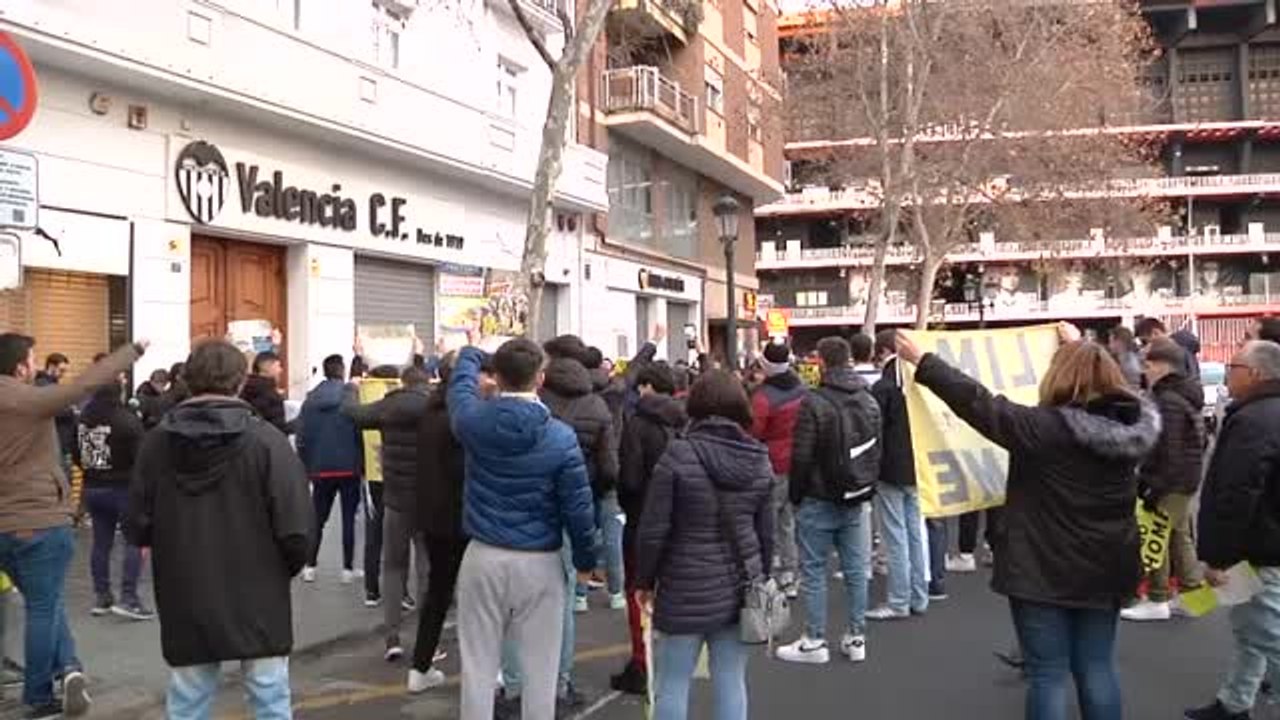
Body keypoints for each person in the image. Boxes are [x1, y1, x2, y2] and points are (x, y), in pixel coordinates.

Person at [896, 325, 1159, 720]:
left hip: (1042, 567)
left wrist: (924, 362)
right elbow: (1129, 394)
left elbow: (979, 402)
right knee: (1097, 666)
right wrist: (1082, 350)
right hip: (1107, 566)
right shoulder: (1135, 429)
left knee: (1048, 673)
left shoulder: (1044, 429)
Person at [127, 339, 312, 720]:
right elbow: (297, 529)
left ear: (189, 380)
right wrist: (283, 569)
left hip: (186, 586)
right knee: (270, 698)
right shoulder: (267, 443)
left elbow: (137, 523)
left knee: (188, 699)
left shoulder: (157, 443)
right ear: (240, 381)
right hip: (259, 590)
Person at [448, 340, 596, 720]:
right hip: (540, 562)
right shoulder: (561, 437)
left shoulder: (473, 421)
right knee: (541, 672)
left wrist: (470, 353)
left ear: (496, 378)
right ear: (541, 379)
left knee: (478, 666)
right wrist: (585, 559)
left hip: (483, 554)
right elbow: (577, 509)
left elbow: (460, 386)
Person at [0, 336, 144, 719]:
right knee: (43, 607)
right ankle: (38, 696)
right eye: (31, 359)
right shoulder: (24, 399)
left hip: (5, 526)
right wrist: (133, 351)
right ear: (20, 368)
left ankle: (69, 668)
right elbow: (84, 385)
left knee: (43, 600)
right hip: (38, 520)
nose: (35, 366)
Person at [634, 370, 773, 720]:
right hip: (740, 583)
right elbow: (766, 534)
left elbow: (654, 529)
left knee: (673, 681)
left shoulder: (678, 454)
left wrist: (644, 581)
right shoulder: (757, 458)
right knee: (731, 679)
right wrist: (762, 576)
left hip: (683, 585)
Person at [1185, 340, 1280, 720]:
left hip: (1255, 547)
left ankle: (1235, 703)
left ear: (1255, 374)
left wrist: (1219, 557)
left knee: (1267, 633)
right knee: (1251, 632)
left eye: (1233, 366)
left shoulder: (1254, 420)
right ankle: (1234, 702)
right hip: (1264, 541)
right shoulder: (1264, 414)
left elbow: (1236, 493)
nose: (1227, 373)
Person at [777, 336, 881, 665]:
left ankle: (815, 639)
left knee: (814, 570)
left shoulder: (814, 402)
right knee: (855, 570)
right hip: (856, 494)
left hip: (819, 495)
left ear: (821, 362)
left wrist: (796, 495)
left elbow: (802, 455)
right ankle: (856, 636)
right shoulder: (869, 399)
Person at [343, 364, 432, 661]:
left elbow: (351, 414)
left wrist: (351, 388)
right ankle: (426, 639)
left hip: (395, 499)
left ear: (402, 383)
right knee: (425, 567)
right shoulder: (436, 407)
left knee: (393, 567)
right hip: (428, 501)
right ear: (426, 383)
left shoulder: (388, 406)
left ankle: (392, 638)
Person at [611, 362, 687, 696]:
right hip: (681, 520)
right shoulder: (686, 422)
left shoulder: (637, 424)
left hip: (642, 520)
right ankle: (672, 657)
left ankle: (642, 662)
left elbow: (628, 478)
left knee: (638, 594)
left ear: (646, 387)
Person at [1122, 338, 1206, 623]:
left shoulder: (1166, 399)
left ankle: (1158, 598)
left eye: (1147, 362)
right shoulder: (1184, 394)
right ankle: (1193, 597)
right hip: (1185, 478)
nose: (1143, 369)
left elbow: (1167, 448)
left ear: (1161, 365)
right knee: (1179, 537)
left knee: (1155, 535)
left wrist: (1153, 485)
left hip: (1169, 480)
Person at [540, 335, 621, 614]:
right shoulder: (597, 403)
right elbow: (609, 463)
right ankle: (593, 593)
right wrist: (601, 487)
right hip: (586, 488)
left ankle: (571, 596)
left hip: (542, 493)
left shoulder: (538, 400)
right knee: (588, 546)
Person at [408, 352, 471, 695]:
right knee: (478, 596)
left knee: (438, 592)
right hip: (461, 517)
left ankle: (420, 665)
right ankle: (491, 672)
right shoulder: (461, 417)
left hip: (431, 516)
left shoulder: (429, 410)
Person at [75, 375, 152, 621]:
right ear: (119, 392)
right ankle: (129, 597)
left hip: (93, 487)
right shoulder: (127, 420)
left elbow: (77, 453)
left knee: (101, 543)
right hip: (123, 487)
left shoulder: (84, 419)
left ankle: (102, 596)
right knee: (134, 540)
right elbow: (142, 459)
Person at [869, 331, 928, 620]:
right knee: (916, 532)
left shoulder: (883, 387)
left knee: (895, 535)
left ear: (881, 352)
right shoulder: (920, 379)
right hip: (920, 464)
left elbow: (874, 430)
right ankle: (919, 595)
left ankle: (898, 600)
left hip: (891, 468)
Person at [297, 354, 362, 584]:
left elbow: (302, 436)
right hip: (349, 467)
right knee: (348, 519)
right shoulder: (351, 397)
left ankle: (309, 566)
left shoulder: (310, 400)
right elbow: (359, 431)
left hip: (320, 468)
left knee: (317, 519)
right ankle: (347, 569)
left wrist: (307, 466)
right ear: (341, 371)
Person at [749, 341, 807, 597]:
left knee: (767, 521)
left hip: (771, 463)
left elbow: (754, 431)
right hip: (799, 460)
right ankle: (791, 573)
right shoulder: (802, 389)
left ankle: (768, 575)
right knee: (789, 521)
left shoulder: (762, 397)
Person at [34, 353, 76, 482]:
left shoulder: (50, 385)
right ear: (51, 366)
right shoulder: (43, 385)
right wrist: (70, 410)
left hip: (58, 445)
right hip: (56, 446)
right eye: (61, 370)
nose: (63, 374)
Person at [1136, 316, 1201, 379]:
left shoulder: (1171, 350)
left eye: (1145, 342)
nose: (1146, 347)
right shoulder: (1183, 345)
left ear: (1155, 333)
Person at [240, 351, 289, 433]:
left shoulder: (244, 389)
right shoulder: (270, 395)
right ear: (269, 367)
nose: (281, 370)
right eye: (278, 366)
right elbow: (277, 429)